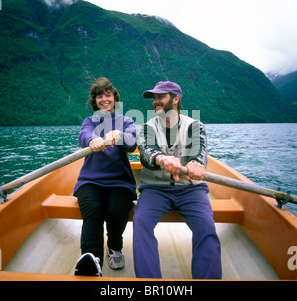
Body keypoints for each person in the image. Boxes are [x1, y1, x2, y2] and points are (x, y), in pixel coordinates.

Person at [133, 80, 222, 279]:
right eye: (154, 98)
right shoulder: (145, 128)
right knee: (140, 222)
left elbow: (199, 155)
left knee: (207, 227)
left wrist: (196, 164)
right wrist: (161, 158)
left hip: (191, 189)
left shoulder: (195, 126)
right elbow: (147, 154)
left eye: (160, 97)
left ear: (175, 99)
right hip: (155, 189)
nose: (155, 102)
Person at [73, 77, 137, 276]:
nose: (104, 99)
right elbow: (84, 135)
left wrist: (118, 136)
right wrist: (93, 139)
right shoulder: (89, 122)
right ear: (95, 101)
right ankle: (92, 259)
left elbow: (132, 142)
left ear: (114, 98)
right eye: (99, 96)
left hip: (120, 181)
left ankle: (114, 247)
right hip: (90, 181)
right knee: (93, 210)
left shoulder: (126, 121)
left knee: (116, 211)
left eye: (107, 95)